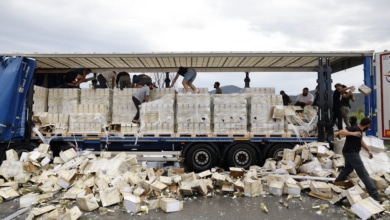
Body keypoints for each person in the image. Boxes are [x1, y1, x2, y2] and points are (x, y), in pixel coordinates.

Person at [334, 117, 382, 202]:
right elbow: (341, 132)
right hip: (351, 153)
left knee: (348, 169)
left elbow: (361, 141)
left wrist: (368, 150)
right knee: (363, 173)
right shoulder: (354, 128)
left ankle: (337, 183)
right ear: (367, 125)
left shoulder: (359, 131)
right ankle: (374, 195)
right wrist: (353, 133)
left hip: (349, 152)